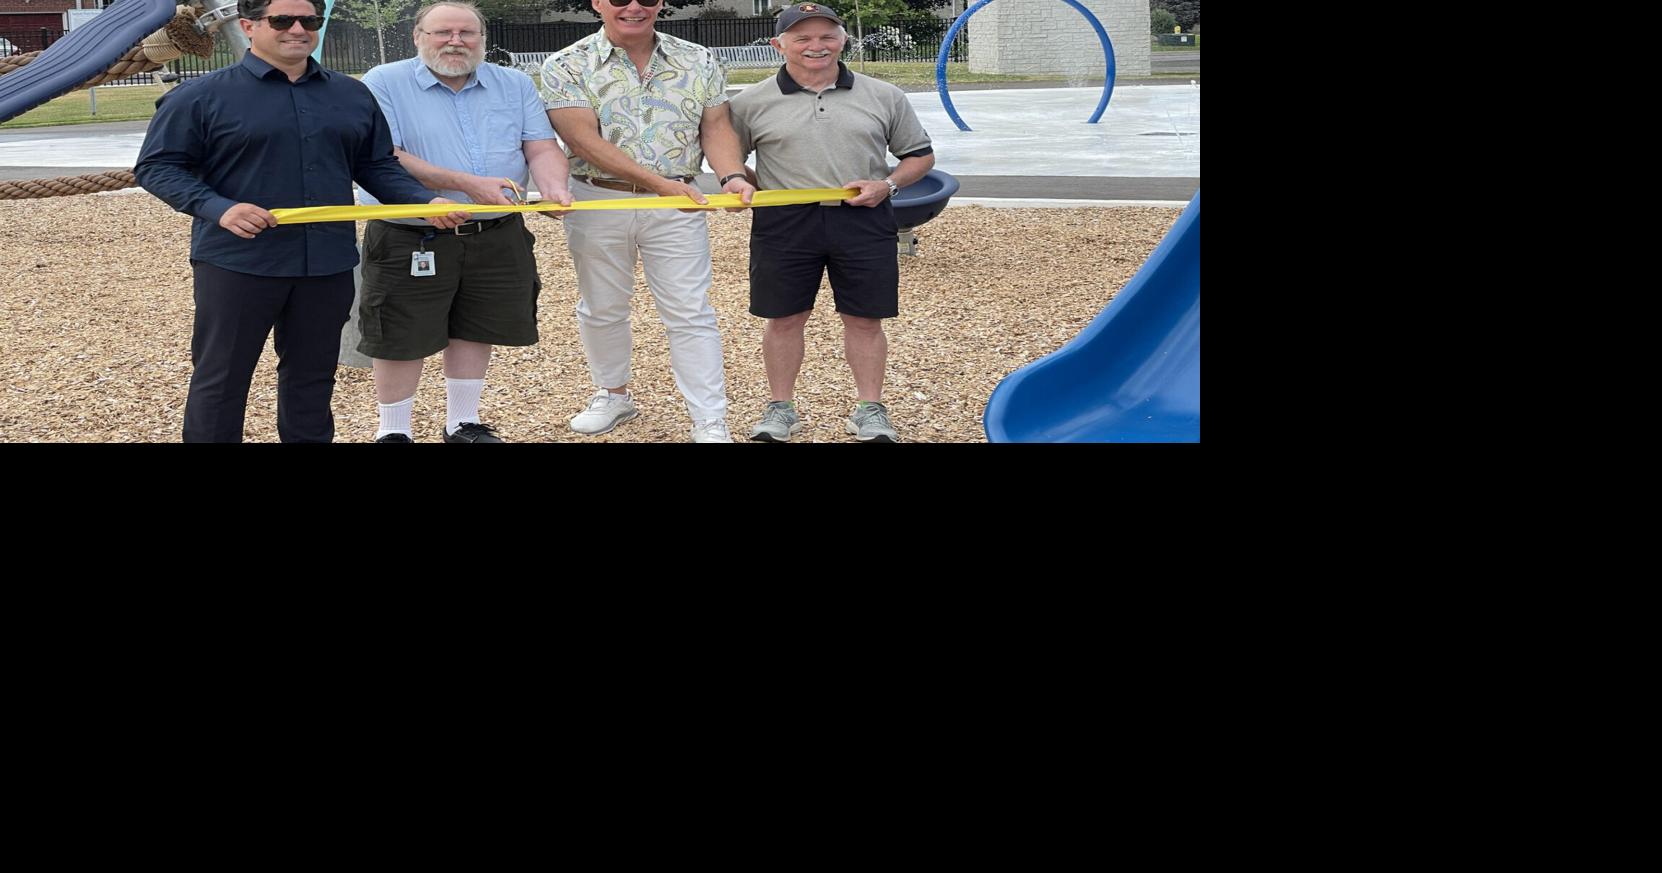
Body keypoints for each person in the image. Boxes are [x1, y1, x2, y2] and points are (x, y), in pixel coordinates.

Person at [133, 0, 468, 443]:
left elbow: (376, 167)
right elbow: (157, 167)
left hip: (327, 262)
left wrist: (424, 201)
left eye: (309, 20)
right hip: (239, 262)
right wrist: (219, 208)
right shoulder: (200, 96)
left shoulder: (350, 95)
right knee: (222, 377)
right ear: (249, 26)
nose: (297, 29)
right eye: (282, 20)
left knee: (313, 376)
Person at [539, 0, 757, 443]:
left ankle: (709, 418)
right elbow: (582, 140)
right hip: (599, 198)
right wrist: (659, 184)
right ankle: (613, 394)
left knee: (690, 310)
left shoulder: (698, 58)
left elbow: (715, 127)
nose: (635, 7)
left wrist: (731, 176)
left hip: (678, 201)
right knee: (602, 305)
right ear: (598, 3)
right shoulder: (567, 63)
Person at [357, 1, 573, 444]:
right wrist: (467, 184)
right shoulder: (384, 81)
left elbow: (540, 146)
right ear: (418, 37)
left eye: (467, 33)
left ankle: (462, 424)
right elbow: (386, 155)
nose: (455, 42)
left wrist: (554, 188)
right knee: (400, 332)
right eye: (442, 32)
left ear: (482, 40)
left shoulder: (513, 83)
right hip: (412, 232)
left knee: (476, 325)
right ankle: (393, 431)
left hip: (494, 231)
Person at [728, 3, 934, 443]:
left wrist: (887, 185)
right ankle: (781, 409)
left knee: (865, 319)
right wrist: (743, 182)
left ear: (843, 40)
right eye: (802, 38)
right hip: (784, 222)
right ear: (778, 44)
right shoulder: (749, 102)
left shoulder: (884, 95)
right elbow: (727, 156)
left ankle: (870, 410)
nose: (816, 46)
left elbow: (919, 156)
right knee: (784, 318)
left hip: (863, 217)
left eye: (827, 36)